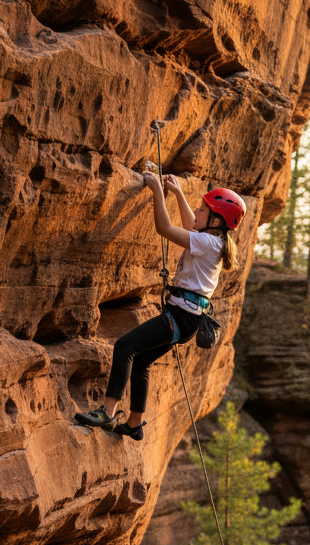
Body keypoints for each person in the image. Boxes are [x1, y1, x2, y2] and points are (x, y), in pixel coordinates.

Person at [74, 173, 245, 439]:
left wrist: (156, 190)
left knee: (125, 346)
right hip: (187, 317)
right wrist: (177, 193)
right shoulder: (214, 240)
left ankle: (107, 412)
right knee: (141, 361)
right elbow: (192, 223)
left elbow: (165, 229)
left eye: (203, 210)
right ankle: (133, 425)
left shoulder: (208, 242)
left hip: (181, 316)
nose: (197, 212)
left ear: (215, 221)